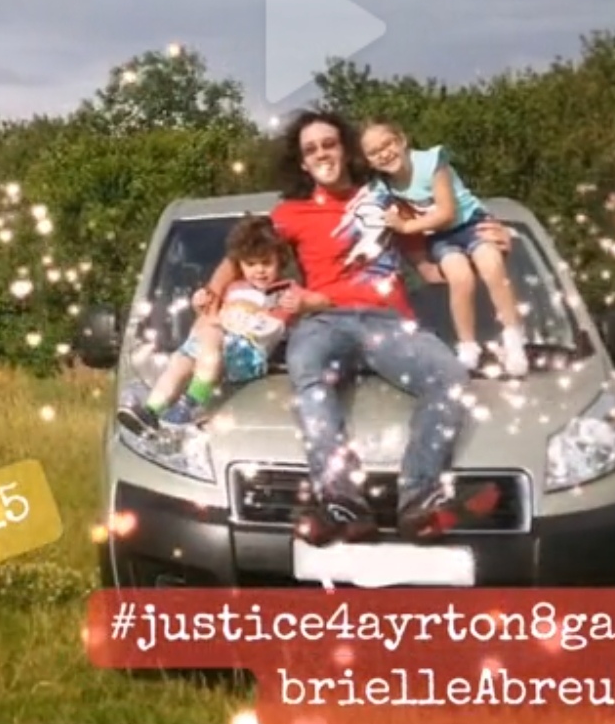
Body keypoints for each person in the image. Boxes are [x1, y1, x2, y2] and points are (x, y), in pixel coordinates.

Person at [200, 109, 512, 546]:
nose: (321, 153)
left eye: (329, 143)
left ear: (344, 149)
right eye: (311, 149)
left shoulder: (384, 199)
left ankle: (419, 502)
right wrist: (210, 293)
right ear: (303, 163)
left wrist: (488, 243)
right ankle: (342, 503)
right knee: (307, 373)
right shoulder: (291, 213)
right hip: (324, 319)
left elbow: (434, 259)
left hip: (389, 322)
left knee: (450, 376)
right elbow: (242, 256)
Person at [360, 120, 528, 379]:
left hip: (471, 222)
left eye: (388, 144)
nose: (384, 153)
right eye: (374, 152)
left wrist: (405, 227)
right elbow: (366, 210)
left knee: (491, 265)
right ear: (368, 161)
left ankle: (513, 337)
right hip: (441, 237)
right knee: (460, 278)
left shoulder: (432, 162)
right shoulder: (383, 186)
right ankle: (468, 346)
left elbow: (447, 212)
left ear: (402, 140)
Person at [117, 215, 293, 434]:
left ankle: (191, 403)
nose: (259, 270)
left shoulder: (283, 292)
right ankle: (152, 410)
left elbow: (275, 326)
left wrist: (227, 321)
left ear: (281, 261)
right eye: (250, 264)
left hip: (246, 354)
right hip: (219, 348)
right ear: (239, 264)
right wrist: (200, 302)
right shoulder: (234, 287)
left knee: (210, 334)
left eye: (266, 263)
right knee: (179, 361)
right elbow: (209, 312)